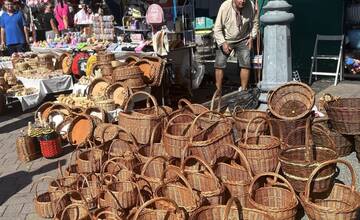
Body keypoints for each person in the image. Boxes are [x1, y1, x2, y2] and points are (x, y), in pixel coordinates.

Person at [213, 0, 259, 91]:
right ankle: (218, 91)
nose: (243, 1)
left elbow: (255, 22)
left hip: (243, 38)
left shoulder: (250, 5)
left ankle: (243, 90)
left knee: (246, 64)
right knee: (219, 64)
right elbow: (217, 28)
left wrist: (252, 37)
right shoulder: (225, 6)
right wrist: (222, 43)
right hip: (226, 39)